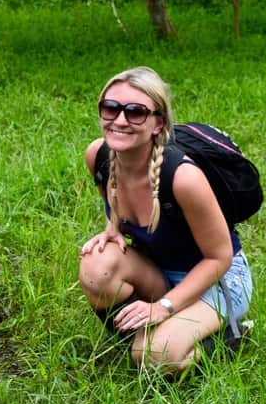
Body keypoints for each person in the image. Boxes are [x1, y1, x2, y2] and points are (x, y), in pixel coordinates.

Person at [78, 66, 253, 374]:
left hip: (217, 281)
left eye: (135, 112)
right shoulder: (98, 155)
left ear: (158, 123)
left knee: (155, 357)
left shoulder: (184, 178)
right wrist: (112, 228)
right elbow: (113, 201)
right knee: (96, 266)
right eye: (110, 108)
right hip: (160, 271)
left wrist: (164, 307)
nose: (120, 120)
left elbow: (220, 257)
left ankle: (228, 336)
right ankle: (139, 337)